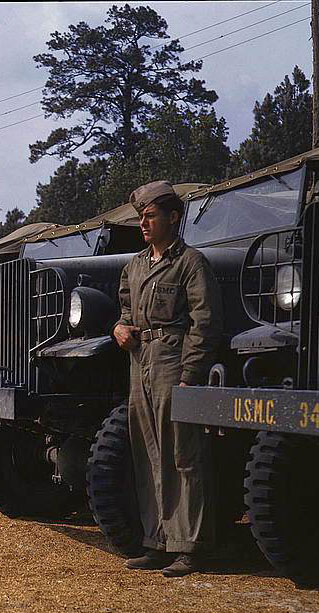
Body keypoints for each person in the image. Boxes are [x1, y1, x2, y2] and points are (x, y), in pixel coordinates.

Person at [113, 180, 223, 577]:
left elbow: (205, 322)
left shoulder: (191, 262)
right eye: (141, 217)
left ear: (173, 218)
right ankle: (156, 541)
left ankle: (190, 545)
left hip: (173, 361)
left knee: (183, 454)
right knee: (147, 452)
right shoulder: (135, 266)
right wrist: (119, 329)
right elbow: (126, 310)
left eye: (150, 216)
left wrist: (190, 373)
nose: (143, 223)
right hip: (139, 360)